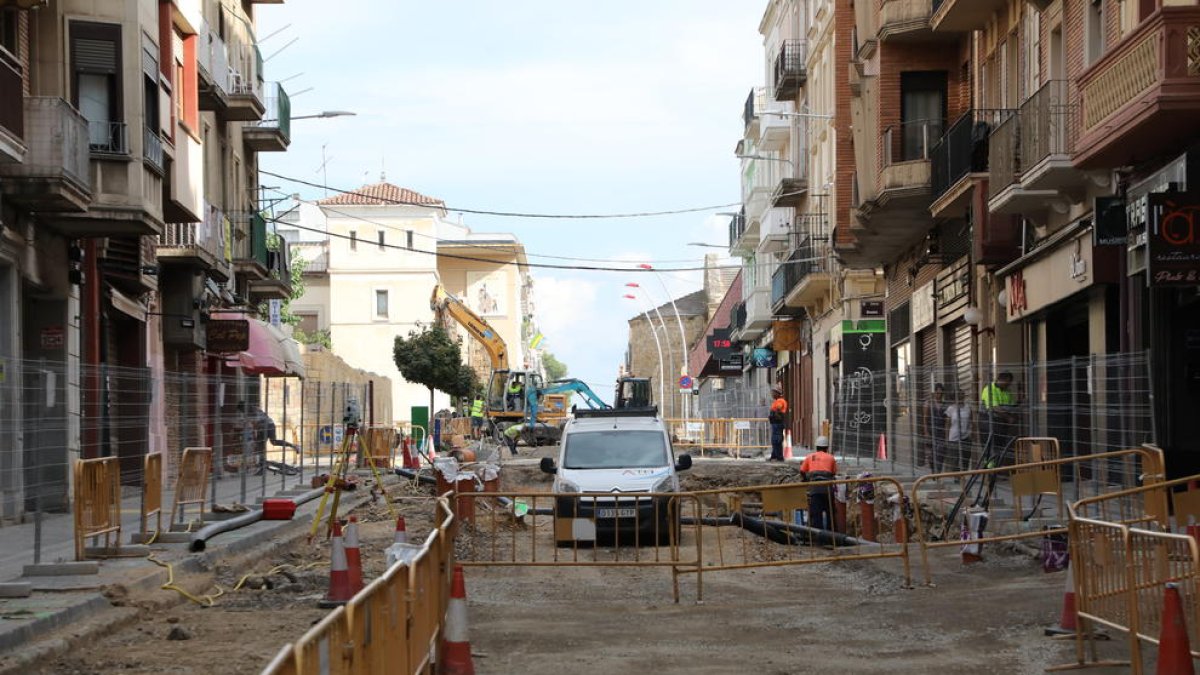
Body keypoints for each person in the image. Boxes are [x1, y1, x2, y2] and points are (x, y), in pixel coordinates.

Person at [801, 436, 838, 531]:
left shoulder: (810, 457)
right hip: (828, 490)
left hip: (815, 490)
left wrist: (806, 480)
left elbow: (802, 471)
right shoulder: (831, 458)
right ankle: (832, 537)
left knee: (816, 515)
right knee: (830, 514)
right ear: (826, 447)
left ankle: (819, 539)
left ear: (816, 447)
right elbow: (833, 473)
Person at [980, 371, 1018, 456]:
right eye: (1007, 383)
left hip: (1001, 425)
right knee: (990, 449)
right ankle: (990, 468)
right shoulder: (989, 389)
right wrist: (1009, 418)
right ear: (1000, 379)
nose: (1008, 385)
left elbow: (1012, 406)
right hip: (988, 424)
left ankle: (997, 466)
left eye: (1009, 383)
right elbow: (994, 407)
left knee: (1000, 448)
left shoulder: (1007, 391)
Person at [945, 388, 974, 472]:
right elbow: (947, 424)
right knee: (955, 459)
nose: (961, 396)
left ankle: (963, 476)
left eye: (962, 395)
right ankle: (956, 477)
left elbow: (972, 421)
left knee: (966, 458)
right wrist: (947, 438)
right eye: (959, 395)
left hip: (966, 437)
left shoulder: (968, 407)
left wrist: (972, 433)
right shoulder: (951, 409)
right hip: (954, 438)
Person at [920, 384, 946, 472]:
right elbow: (925, 418)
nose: (939, 395)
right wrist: (926, 432)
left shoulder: (944, 405)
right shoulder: (929, 404)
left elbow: (947, 420)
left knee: (940, 453)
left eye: (941, 393)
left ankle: (938, 472)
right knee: (931, 454)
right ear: (934, 393)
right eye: (938, 393)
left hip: (941, 432)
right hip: (931, 431)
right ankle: (933, 470)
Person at [768, 387, 788, 462]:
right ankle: (774, 456)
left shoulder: (780, 401)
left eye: (774, 393)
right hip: (776, 423)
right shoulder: (777, 401)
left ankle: (779, 457)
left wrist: (774, 414)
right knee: (775, 440)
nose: (772, 394)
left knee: (777, 440)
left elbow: (778, 409)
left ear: (777, 393)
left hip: (777, 423)